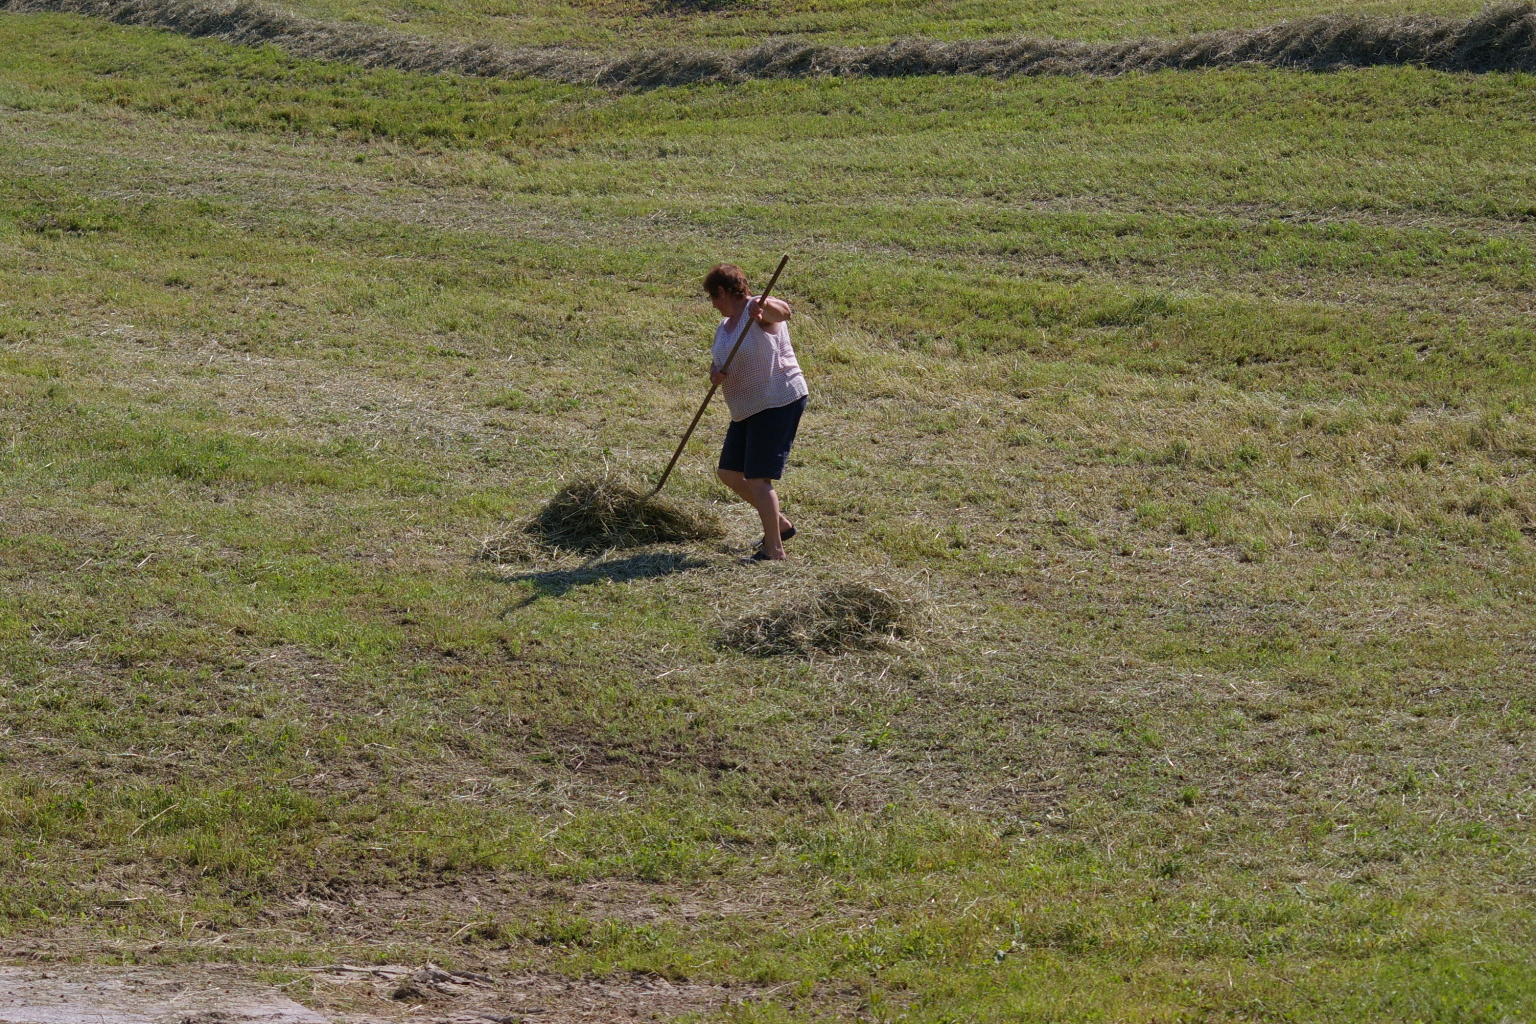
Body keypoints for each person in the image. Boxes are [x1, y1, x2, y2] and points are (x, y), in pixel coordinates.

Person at [704, 263, 808, 561]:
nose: (712, 304)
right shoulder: (724, 328)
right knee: (729, 472)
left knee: (758, 478)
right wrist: (716, 373)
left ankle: (774, 549)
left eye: (713, 297)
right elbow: (720, 362)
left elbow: (784, 312)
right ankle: (781, 524)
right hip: (746, 407)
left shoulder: (756, 310)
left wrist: (763, 306)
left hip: (777, 399)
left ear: (723, 291)